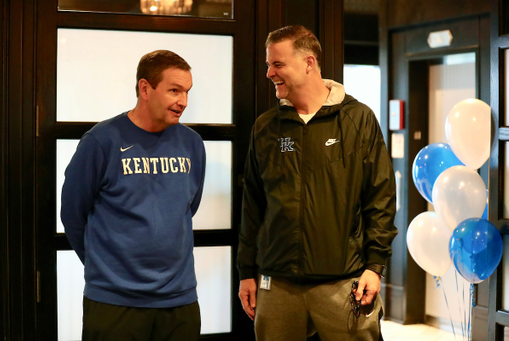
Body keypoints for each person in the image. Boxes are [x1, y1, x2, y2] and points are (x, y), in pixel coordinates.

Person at [237, 25, 398, 341]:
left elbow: (380, 198)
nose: (269, 73)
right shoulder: (266, 127)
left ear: (308, 63)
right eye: (268, 65)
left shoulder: (358, 119)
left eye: (277, 64)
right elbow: (252, 204)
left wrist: (375, 266)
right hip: (276, 282)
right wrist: (246, 273)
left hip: (343, 281)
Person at [61, 50, 205, 341]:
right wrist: (106, 269)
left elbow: (188, 207)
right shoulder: (101, 141)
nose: (183, 102)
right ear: (145, 88)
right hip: (114, 302)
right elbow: (73, 215)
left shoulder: (192, 144)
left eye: (187, 92)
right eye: (174, 90)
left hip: (179, 302)